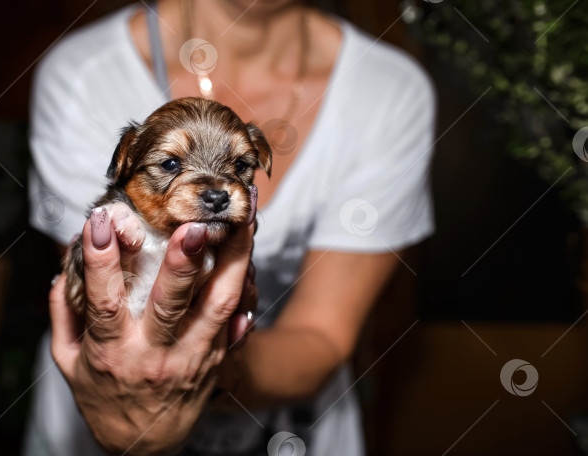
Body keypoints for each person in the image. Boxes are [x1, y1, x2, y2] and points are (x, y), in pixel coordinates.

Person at [25, 0, 435, 454]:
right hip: (92, 418)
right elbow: (104, 297)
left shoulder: (388, 90)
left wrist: (208, 369)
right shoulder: (83, 72)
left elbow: (322, 336)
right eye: (170, 163)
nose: (217, 190)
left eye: (241, 165)